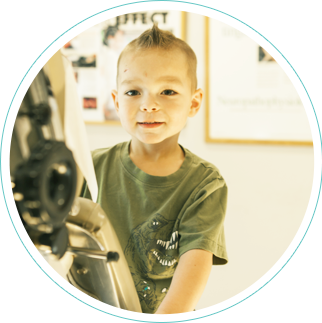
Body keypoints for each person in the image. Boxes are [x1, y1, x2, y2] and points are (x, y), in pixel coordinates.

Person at [82, 24, 228, 316]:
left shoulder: (205, 184)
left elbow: (187, 285)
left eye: (168, 91)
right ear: (116, 101)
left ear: (193, 103)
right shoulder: (87, 168)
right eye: (134, 91)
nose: (148, 105)